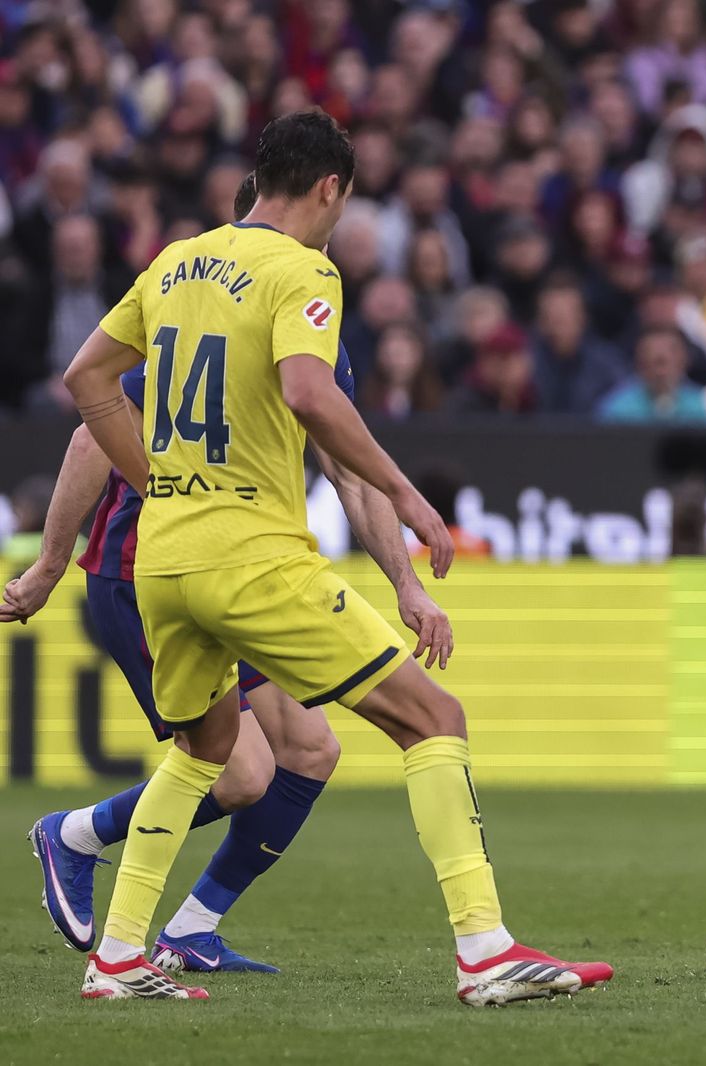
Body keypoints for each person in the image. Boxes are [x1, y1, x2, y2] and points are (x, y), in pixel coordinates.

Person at [56, 110, 610, 1003]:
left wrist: (156, 483)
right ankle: (485, 951)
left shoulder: (175, 263)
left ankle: (117, 956)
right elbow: (311, 395)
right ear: (329, 188)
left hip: (161, 560)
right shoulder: (303, 270)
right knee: (433, 717)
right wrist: (406, 493)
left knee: (204, 750)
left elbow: (86, 379)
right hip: (253, 559)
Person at [8, 171, 453, 976]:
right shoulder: (208, 307)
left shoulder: (308, 324)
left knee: (310, 751)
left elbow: (347, 474)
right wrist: (48, 564)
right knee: (241, 770)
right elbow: (87, 433)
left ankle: (191, 928)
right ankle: (75, 838)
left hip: (235, 570)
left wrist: (407, 584)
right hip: (144, 567)